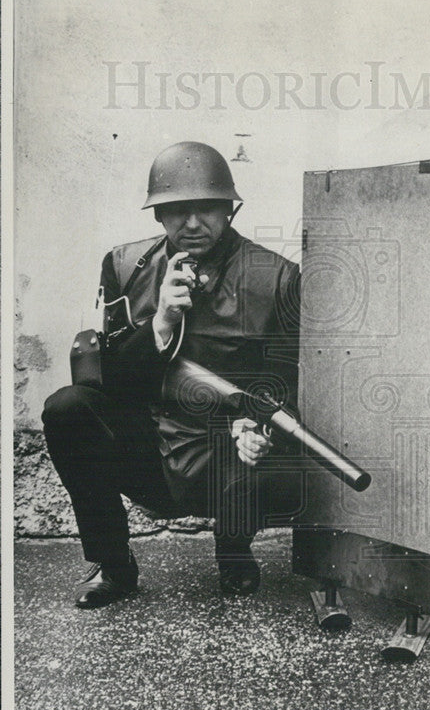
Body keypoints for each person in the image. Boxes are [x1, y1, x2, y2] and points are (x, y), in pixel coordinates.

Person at [42, 141, 301, 608]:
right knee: (67, 408)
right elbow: (108, 384)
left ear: (230, 210)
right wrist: (160, 321)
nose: (193, 222)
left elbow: (287, 380)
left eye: (208, 208)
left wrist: (259, 426)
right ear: (158, 215)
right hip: (151, 446)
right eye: (177, 210)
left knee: (270, 450)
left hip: (226, 454)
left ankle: (235, 549)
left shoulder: (277, 277)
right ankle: (114, 566)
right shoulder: (124, 266)